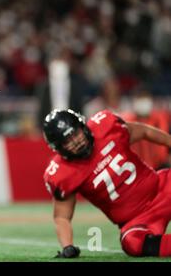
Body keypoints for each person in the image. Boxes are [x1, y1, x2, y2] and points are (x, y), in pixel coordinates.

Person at [42, 109, 171, 258]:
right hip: (138, 220)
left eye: (75, 133)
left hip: (162, 189)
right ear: (58, 148)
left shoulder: (106, 128)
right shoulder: (63, 174)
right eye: (67, 141)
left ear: (83, 126)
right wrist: (67, 246)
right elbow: (62, 217)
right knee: (132, 243)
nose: (76, 141)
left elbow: (144, 131)